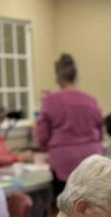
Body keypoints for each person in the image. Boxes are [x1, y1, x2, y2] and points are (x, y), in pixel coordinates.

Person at [35, 54, 104, 196]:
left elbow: (42, 136)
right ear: (77, 76)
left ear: (57, 78)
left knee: (67, 207)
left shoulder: (50, 101)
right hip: (92, 160)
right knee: (92, 205)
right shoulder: (90, 100)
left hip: (64, 162)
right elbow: (101, 132)